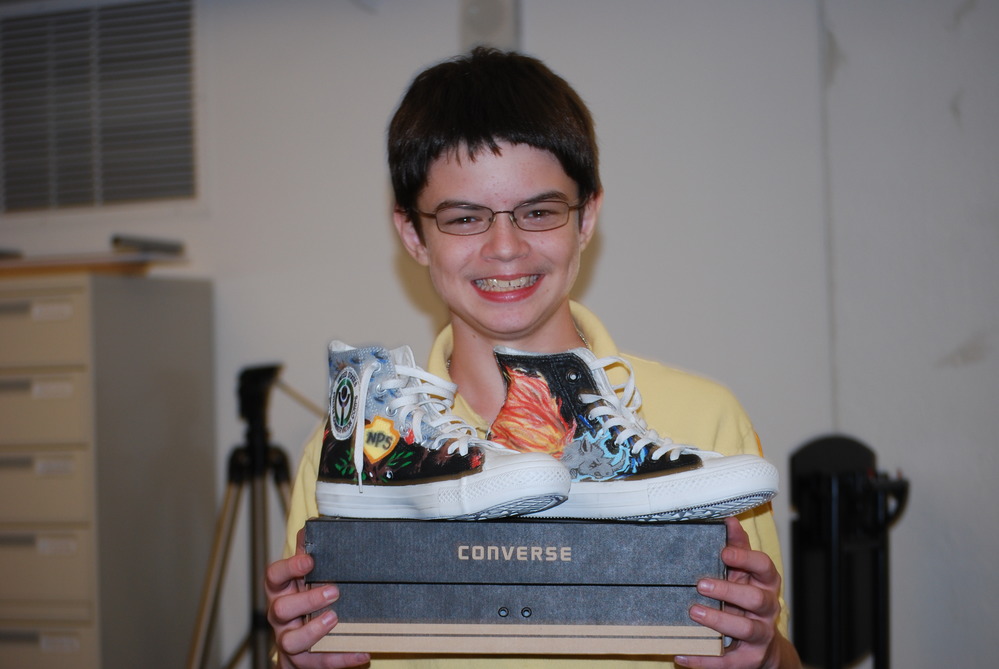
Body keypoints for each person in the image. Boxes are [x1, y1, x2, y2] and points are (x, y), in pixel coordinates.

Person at [266, 47, 802, 669]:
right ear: (413, 233)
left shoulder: (708, 420)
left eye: (539, 212)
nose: (505, 247)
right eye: (464, 218)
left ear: (586, 217)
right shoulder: (357, 446)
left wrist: (767, 656)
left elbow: (773, 650)